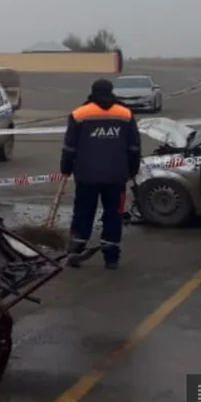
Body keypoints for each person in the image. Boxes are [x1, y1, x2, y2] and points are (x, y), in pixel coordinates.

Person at [60, 79, 141, 270]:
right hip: (116, 177)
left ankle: (76, 251)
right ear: (111, 91)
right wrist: (132, 169)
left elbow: (70, 147)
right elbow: (134, 147)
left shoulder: (80, 114)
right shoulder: (125, 114)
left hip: (86, 176)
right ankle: (111, 257)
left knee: (82, 213)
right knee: (114, 214)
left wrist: (66, 168)